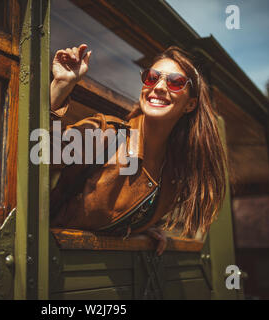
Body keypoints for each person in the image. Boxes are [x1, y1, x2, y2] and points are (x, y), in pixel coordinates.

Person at [49, 44, 227, 255]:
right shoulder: (105, 135)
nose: (159, 87)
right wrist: (60, 85)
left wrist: (139, 226)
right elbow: (37, 152)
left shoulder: (175, 172)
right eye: (152, 77)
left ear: (190, 105)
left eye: (175, 82)